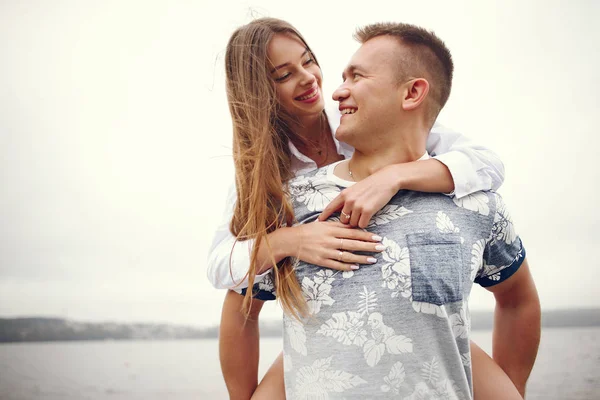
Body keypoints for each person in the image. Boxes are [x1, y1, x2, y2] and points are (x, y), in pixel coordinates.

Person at [207, 18, 520, 399]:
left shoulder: (363, 116)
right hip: (325, 336)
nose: (309, 79)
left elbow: (486, 163)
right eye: (284, 74)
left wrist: (395, 177)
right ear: (259, 94)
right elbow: (225, 269)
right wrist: (291, 239)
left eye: (309, 61)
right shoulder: (269, 182)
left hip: (424, 332)